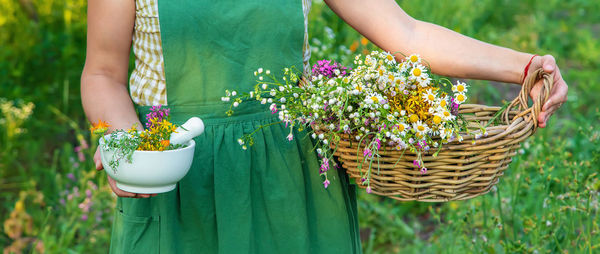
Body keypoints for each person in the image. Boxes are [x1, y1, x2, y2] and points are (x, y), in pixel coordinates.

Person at [81, 0, 568, 253]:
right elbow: (102, 73)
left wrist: (526, 65)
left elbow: (406, 32)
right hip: (180, 181)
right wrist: (128, 145)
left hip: (292, 185)